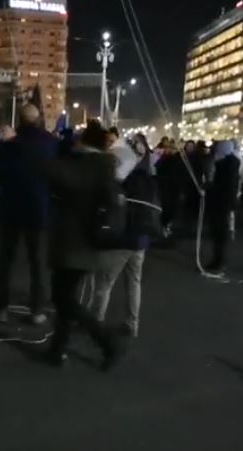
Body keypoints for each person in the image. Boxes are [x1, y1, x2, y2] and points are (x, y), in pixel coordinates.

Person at [39, 118, 121, 369]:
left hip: (75, 241)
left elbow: (57, 174)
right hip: (83, 240)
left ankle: (106, 341)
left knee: (63, 297)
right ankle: (58, 349)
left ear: (85, 143)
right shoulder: (102, 165)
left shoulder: (88, 165)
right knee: (65, 297)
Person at [0, 105, 57, 325]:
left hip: (11, 207)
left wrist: (2, 144)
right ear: (38, 119)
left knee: (6, 261)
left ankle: (1, 308)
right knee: (37, 262)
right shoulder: (49, 143)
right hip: (37, 208)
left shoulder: (10, 144)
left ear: (19, 119)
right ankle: (37, 310)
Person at [90, 133, 158, 338]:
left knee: (104, 283)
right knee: (134, 282)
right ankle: (132, 323)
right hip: (141, 240)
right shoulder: (149, 178)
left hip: (122, 239)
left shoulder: (124, 178)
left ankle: (95, 322)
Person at [204, 140, 243, 274]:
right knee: (219, 233)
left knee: (219, 233)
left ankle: (219, 261)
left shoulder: (226, 166)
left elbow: (223, 187)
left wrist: (209, 188)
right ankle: (218, 260)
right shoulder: (230, 163)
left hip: (221, 204)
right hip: (224, 203)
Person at [155, 140, 185, 236]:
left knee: (170, 209)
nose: (167, 150)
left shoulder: (176, 159)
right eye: (166, 148)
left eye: (170, 148)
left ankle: (166, 225)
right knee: (167, 208)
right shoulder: (165, 158)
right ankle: (165, 226)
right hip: (165, 187)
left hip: (172, 188)